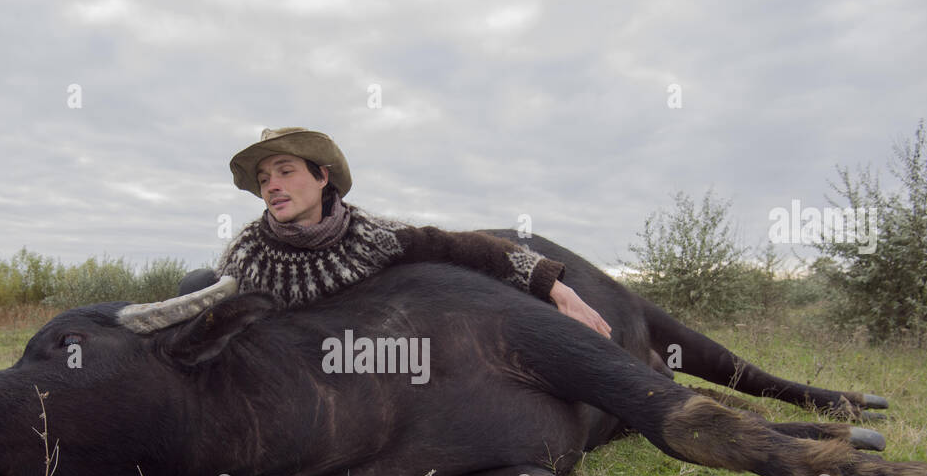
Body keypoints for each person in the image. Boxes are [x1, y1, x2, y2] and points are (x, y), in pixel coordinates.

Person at [187, 127, 611, 337]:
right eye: (264, 179)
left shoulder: (371, 237)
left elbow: (462, 249)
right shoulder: (244, 253)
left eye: (285, 171)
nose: (272, 185)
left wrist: (555, 287)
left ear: (321, 178)